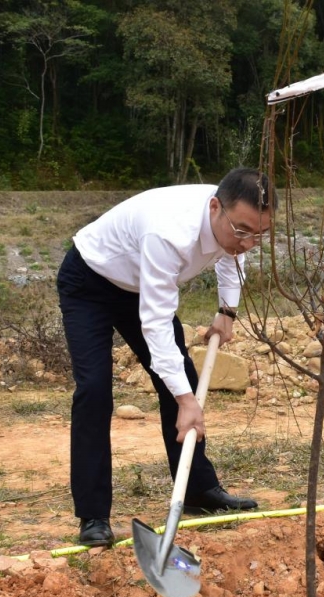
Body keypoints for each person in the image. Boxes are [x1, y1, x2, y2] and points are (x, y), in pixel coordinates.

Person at [57, 168, 276, 547]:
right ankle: (93, 515)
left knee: (181, 378)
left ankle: (196, 490)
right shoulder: (170, 233)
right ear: (214, 208)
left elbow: (231, 255)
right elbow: (155, 324)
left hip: (138, 282)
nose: (249, 242)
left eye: (260, 234)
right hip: (89, 281)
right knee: (94, 390)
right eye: (242, 230)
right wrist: (186, 402)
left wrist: (227, 311)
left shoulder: (234, 221)